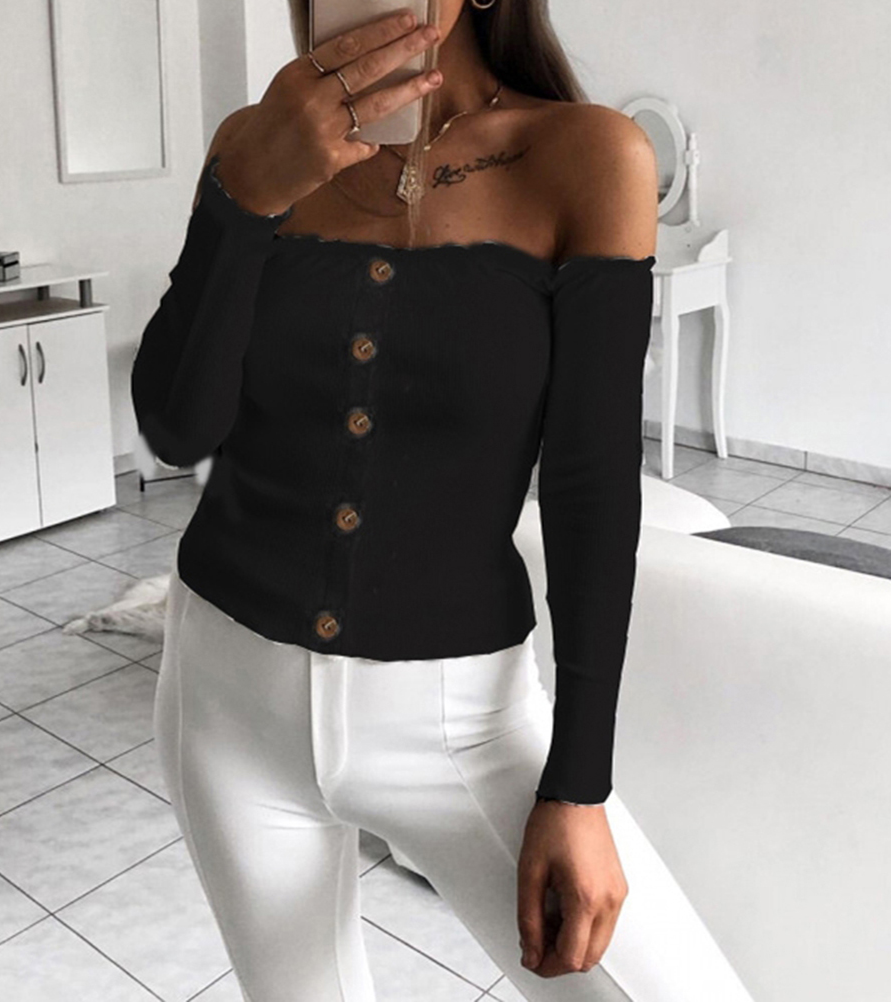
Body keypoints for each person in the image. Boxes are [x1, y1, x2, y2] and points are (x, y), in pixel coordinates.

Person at [131, 2, 739, 1000]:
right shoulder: (255, 143)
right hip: (225, 699)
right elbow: (177, 426)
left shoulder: (586, 156)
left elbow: (589, 489)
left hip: (460, 721)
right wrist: (243, 201)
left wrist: (579, 785)